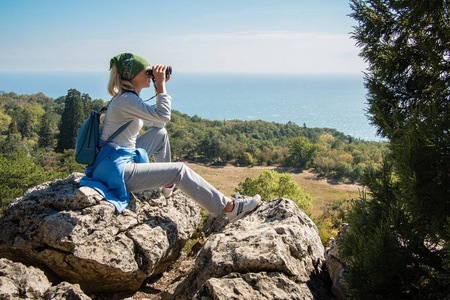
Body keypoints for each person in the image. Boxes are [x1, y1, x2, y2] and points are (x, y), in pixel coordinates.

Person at [80, 53, 260, 222]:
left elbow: (160, 124)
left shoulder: (128, 99)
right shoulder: (126, 100)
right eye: (147, 72)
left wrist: (159, 85)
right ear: (133, 76)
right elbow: (164, 116)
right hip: (115, 170)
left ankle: (167, 188)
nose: (151, 76)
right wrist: (161, 86)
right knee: (179, 170)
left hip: (117, 157)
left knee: (160, 134)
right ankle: (230, 208)